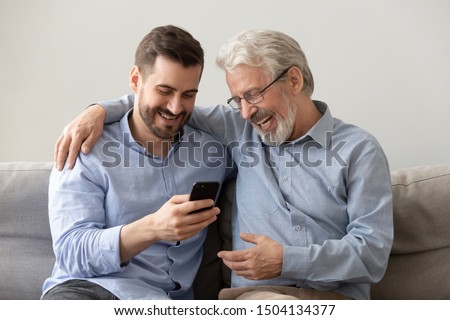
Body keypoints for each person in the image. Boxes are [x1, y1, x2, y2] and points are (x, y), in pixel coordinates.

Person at [54, 29, 393, 300]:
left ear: (293, 80)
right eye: (237, 100)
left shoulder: (358, 150)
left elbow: (373, 254)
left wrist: (287, 260)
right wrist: (97, 110)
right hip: (255, 297)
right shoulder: (239, 129)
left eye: (254, 94)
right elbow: (158, 109)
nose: (245, 112)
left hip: (336, 300)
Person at [41, 25, 232, 300]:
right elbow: (72, 253)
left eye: (188, 95)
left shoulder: (213, 152)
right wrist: (153, 228)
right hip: (89, 292)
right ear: (135, 79)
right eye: (164, 91)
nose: (176, 108)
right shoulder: (87, 146)